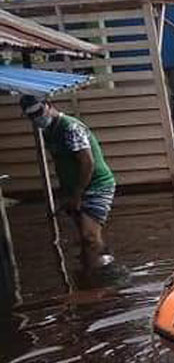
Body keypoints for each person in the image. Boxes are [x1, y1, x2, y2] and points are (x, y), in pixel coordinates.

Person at [20, 95, 115, 269]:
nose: (37, 118)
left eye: (39, 112)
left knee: (89, 237)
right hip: (74, 189)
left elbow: (87, 163)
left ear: (48, 105)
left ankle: (110, 275)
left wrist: (77, 195)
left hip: (97, 185)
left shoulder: (70, 127)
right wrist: (68, 194)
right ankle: (91, 270)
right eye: (31, 116)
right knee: (84, 237)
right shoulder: (49, 131)